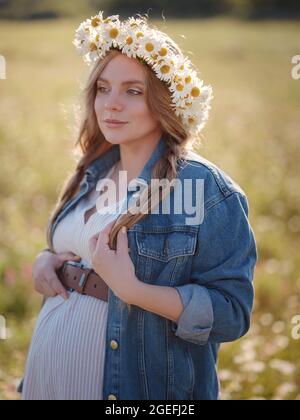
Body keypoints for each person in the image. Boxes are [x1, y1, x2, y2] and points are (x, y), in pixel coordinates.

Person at [20, 12, 258, 400]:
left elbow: (231, 313)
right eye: (102, 88)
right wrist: (49, 262)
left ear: (165, 101)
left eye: (133, 91)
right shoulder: (92, 170)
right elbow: (81, 251)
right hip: (48, 381)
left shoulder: (201, 186)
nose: (111, 105)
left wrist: (133, 290)